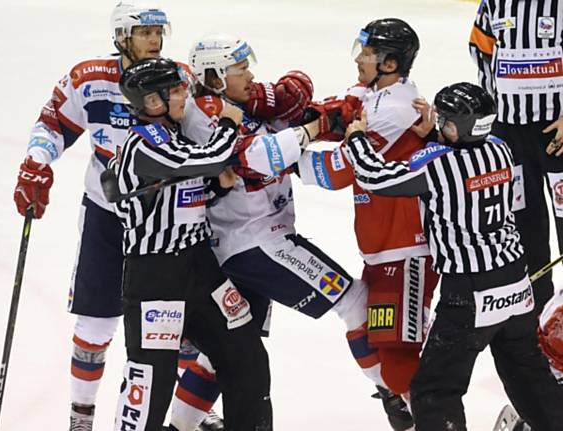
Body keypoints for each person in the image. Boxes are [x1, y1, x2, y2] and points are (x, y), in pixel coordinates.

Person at [162, 33, 370, 431]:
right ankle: (399, 400)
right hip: (255, 243)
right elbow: (259, 156)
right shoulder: (205, 113)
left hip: (248, 242)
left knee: (223, 354)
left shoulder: (235, 105)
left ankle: (178, 428)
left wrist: (314, 113)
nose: (251, 76)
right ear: (215, 76)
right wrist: (317, 126)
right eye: (240, 69)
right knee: (355, 301)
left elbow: (285, 121)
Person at [346, 81, 563, 431]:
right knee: (529, 378)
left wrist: (357, 138)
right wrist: (434, 135)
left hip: (471, 294)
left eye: (444, 120)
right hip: (517, 287)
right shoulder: (501, 150)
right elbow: (461, 163)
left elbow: (376, 177)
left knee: (434, 390)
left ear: (454, 126)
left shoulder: (438, 165)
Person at [12, 2, 172, 429]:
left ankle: (183, 408)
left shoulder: (177, 79)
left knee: (176, 320)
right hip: (106, 214)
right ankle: (81, 415)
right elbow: (52, 124)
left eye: (159, 32)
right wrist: (36, 161)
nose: (155, 41)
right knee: (96, 322)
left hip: (165, 220)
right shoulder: (90, 79)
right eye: (145, 32)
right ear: (121, 36)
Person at [112, 57, 273, 431]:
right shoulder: (143, 144)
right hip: (157, 277)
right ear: (153, 101)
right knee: (152, 383)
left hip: (200, 268)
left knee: (245, 356)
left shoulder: (175, 136)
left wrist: (216, 187)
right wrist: (229, 123)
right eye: (175, 89)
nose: (184, 93)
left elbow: (187, 192)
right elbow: (210, 158)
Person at [296, 18, 440, 431]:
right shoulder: (378, 95)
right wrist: (314, 118)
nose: (358, 58)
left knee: (397, 362)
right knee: (368, 330)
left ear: (390, 63)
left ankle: (433, 420)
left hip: (406, 249)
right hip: (383, 247)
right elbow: (344, 107)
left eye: (368, 52)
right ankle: (410, 407)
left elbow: (340, 171)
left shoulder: (395, 109)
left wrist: (278, 158)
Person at [469, 0, 563, 313]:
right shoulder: (495, 3)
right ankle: (540, 314)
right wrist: (493, 106)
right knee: (525, 223)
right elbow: (480, 47)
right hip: (510, 134)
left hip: (557, 132)